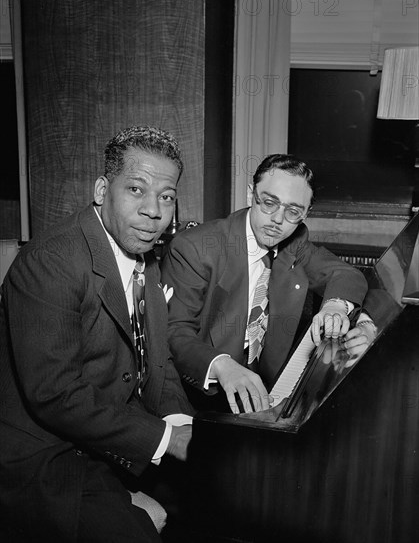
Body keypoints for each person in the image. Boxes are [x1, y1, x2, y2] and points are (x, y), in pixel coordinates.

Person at [0, 126, 194, 542]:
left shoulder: (145, 256)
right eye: (137, 190)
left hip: (97, 440)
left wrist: (182, 423)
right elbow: (55, 395)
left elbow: (157, 360)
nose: (153, 212)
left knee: (205, 508)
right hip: (45, 456)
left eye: (167, 196)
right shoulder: (50, 262)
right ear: (102, 190)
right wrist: (165, 438)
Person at [162, 154, 372, 414]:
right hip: (199, 399)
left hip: (265, 390)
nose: (278, 220)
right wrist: (221, 365)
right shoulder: (195, 248)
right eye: (270, 203)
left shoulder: (294, 242)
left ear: (306, 213)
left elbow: (346, 275)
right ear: (251, 193)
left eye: (293, 211)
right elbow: (174, 332)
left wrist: (337, 307)